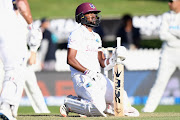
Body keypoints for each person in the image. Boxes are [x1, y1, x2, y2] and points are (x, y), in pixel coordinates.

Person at [59, 2, 139, 117]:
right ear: (81, 16)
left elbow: (103, 63)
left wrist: (115, 57)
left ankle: (105, 107)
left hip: (97, 77)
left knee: (123, 101)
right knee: (98, 107)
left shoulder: (96, 37)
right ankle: (69, 102)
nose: (93, 16)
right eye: (90, 13)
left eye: (94, 14)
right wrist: (88, 71)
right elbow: (70, 59)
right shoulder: (76, 34)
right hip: (82, 78)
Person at [0, 0, 42, 119]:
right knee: (14, 70)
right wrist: (31, 25)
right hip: (8, 31)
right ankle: (7, 106)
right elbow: (22, 3)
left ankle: (11, 109)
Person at [12, 0, 50, 114]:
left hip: (23, 55)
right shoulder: (5, 17)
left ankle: (43, 111)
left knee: (32, 85)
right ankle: (9, 109)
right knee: (8, 84)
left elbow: (35, 33)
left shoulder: (24, 19)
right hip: (6, 55)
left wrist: (33, 52)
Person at [142, 0, 180, 112]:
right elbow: (162, 35)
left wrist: (171, 30)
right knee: (160, 82)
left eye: (171, 1)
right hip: (168, 53)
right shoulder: (166, 16)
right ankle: (148, 110)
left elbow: (167, 32)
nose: (169, 3)